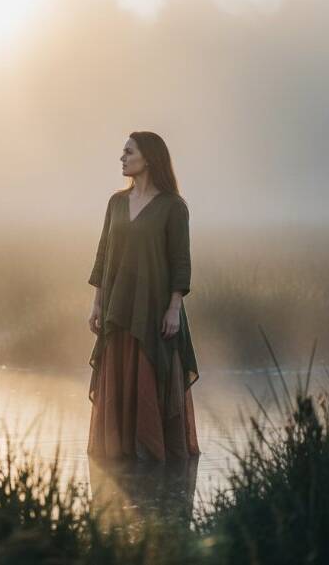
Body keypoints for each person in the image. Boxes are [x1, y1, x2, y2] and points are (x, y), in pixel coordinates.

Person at [86, 131, 200, 462]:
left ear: (147, 158)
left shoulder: (173, 207)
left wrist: (173, 309)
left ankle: (151, 453)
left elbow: (181, 260)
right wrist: (96, 304)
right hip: (117, 307)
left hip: (155, 309)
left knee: (152, 372)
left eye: (128, 152)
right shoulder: (116, 203)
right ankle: (118, 454)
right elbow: (103, 254)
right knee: (119, 374)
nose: (121, 158)